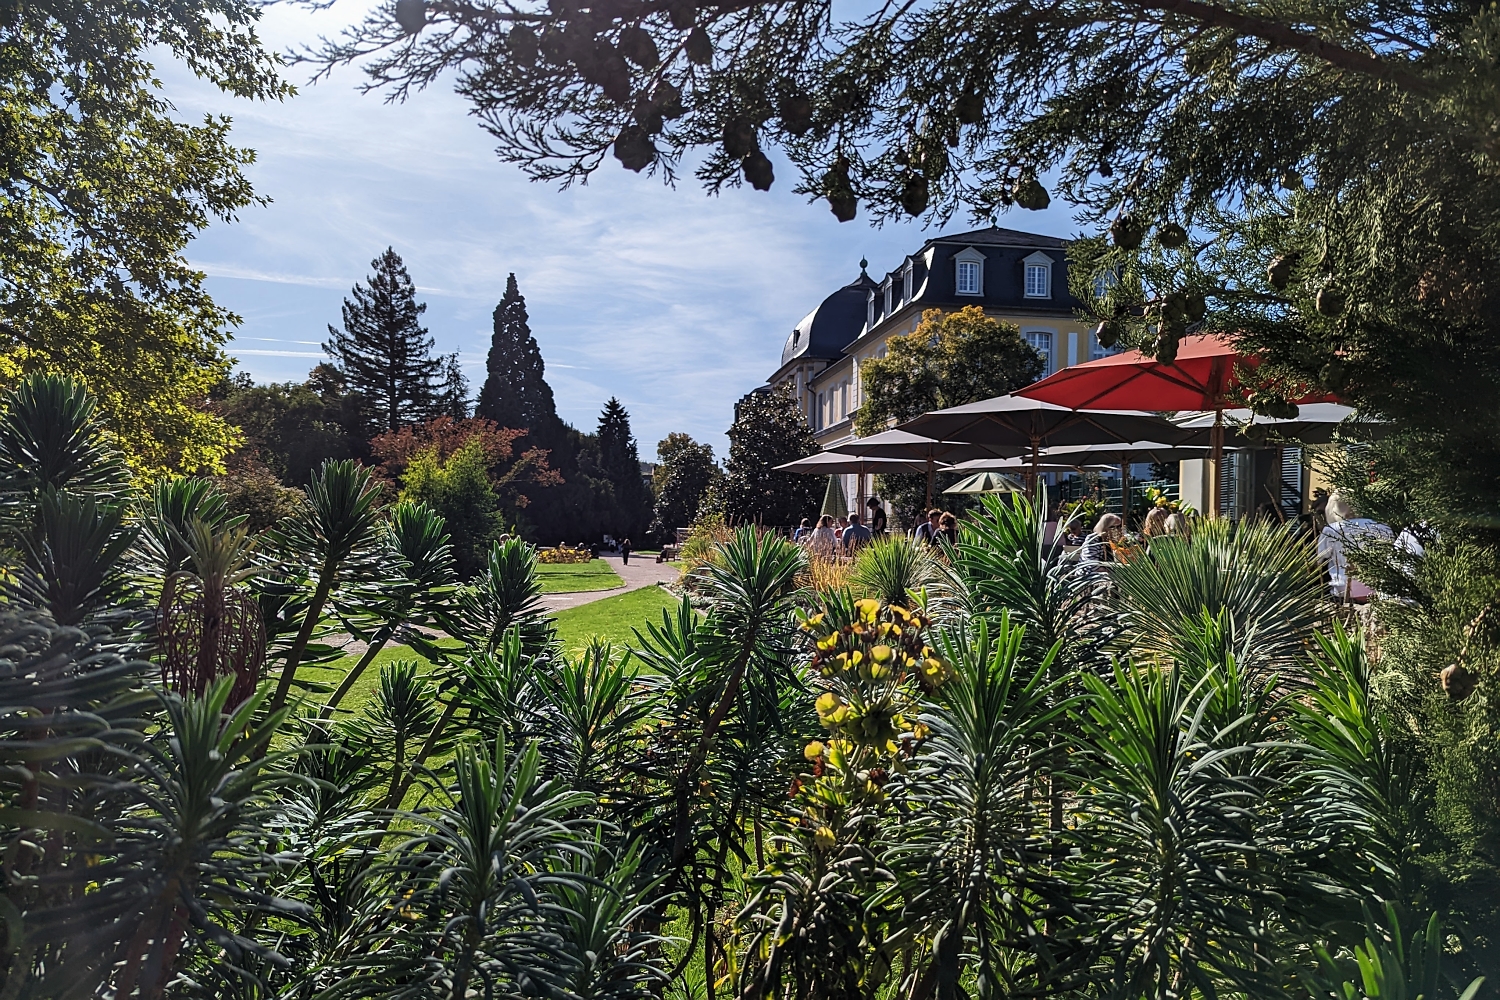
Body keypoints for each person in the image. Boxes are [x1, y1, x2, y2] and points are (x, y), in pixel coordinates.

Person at [1317, 492, 1392, 602]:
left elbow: (1319, 560)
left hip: (1343, 590)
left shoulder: (1331, 530)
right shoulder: (1383, 526)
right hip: (1378, 590)